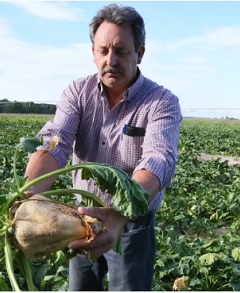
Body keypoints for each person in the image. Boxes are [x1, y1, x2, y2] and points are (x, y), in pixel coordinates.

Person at [23, 3, 182, 291]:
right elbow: (56, 141)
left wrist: (119, 215)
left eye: (121, 51)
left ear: (140, 53)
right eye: (103, 50)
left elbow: (159, 159)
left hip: (131, 222)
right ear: (93, 52)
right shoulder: (77, 93)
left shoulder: (161, 102)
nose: (111, 60)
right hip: (80, 217)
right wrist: (29, 194)